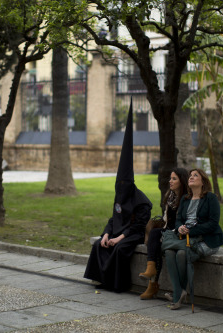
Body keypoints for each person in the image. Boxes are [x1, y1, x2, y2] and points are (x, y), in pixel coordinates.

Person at [84, 100, 152, 293]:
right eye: (118, 185)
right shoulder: (119, 197)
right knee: (99, 244)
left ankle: (118, 284)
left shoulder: (142, 202)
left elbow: (138, 226)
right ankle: (101, 279)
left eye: (124, 185)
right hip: (118, 231)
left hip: (133, 234)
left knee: (120, 249)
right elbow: (114, 218)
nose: (120, 188)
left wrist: (119, 238)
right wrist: (106, 234)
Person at [164, 168, 223, 310]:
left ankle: (177, 295)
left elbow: (213, 223)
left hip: (207, 240)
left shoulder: (210, 198)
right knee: (169, 252)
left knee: (181, 254)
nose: (191, 177)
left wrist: (190, 231)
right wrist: (180, 228)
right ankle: (180, 292)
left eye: (195, 175)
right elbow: (179, 219)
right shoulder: (185, 199)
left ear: (203, 181)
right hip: (186, 239)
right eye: (190, 175)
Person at [138, 167, 189, 300]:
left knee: (155, 237)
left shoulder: (186, 199)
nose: (170, 181)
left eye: (174, 179)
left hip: (179, 234)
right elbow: (166, 219)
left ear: (182, 181)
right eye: (170, 178)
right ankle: (151, 275)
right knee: (156, 242)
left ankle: (152, 281)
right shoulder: (170, 196)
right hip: (167, 231)